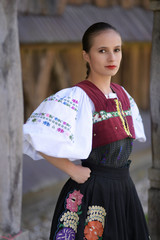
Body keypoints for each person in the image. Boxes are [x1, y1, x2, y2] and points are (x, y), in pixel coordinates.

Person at [23, 22, 150, 240]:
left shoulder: (122, 95)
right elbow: (34, 135)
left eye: (116, 50)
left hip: (125, 189)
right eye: (102, 51)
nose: (112, 58)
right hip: (93, 191)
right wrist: (71, 169)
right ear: (86, 56)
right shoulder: (76, 98)